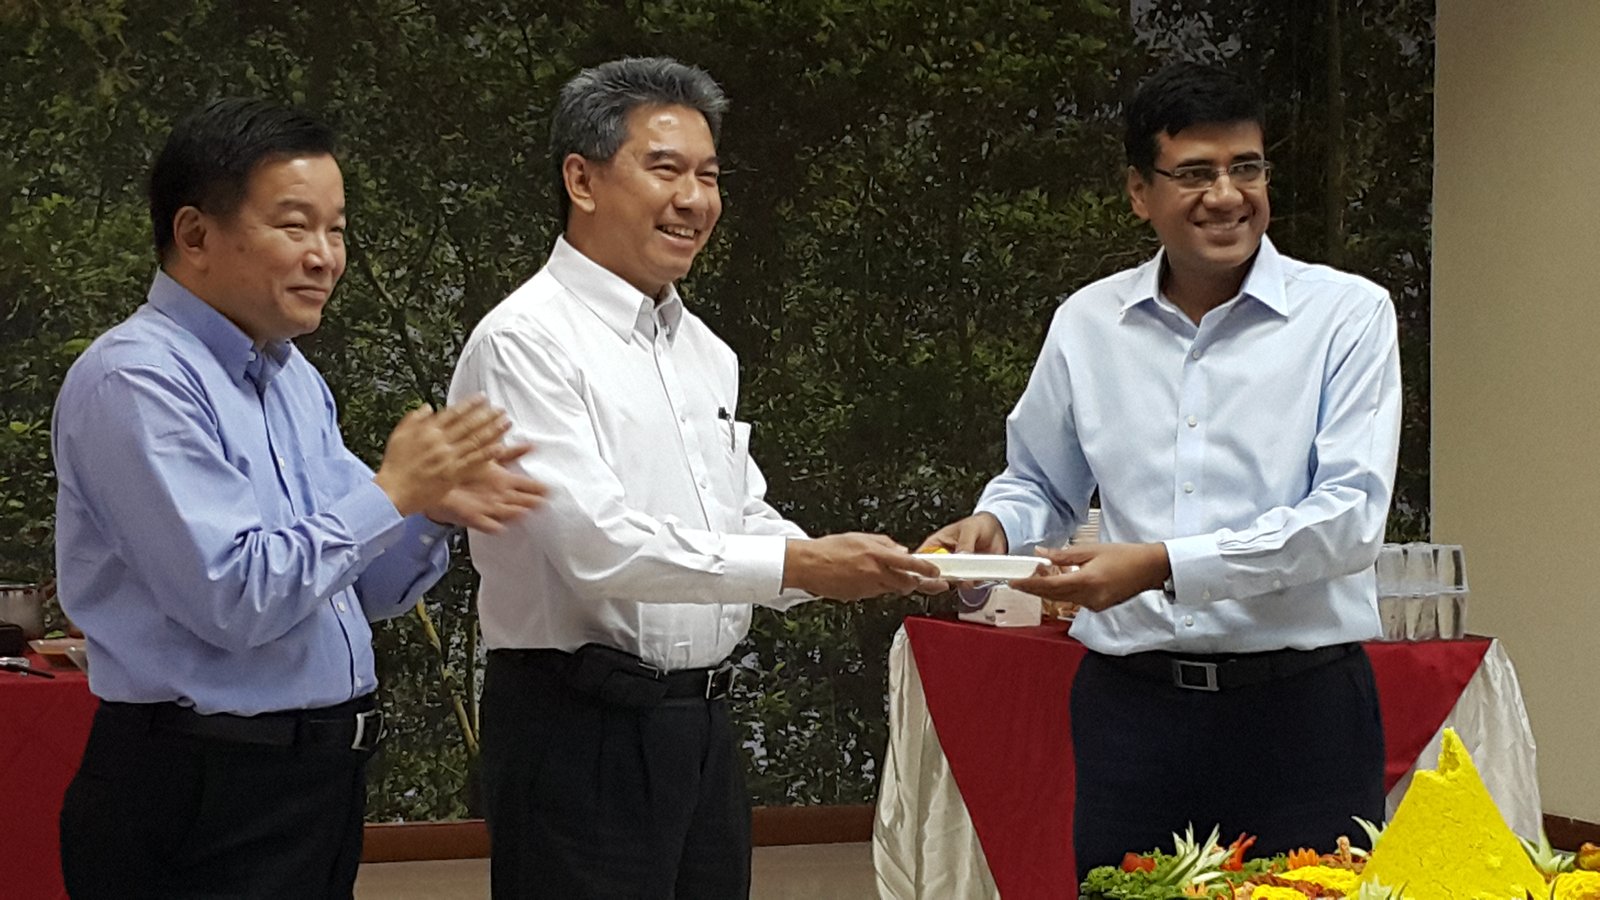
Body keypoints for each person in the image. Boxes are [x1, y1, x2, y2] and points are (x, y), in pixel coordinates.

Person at [448, 56, 941, 899]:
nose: (694, 200)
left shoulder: (706, 352)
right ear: (581, 179)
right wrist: (800, 564)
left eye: (709, 177)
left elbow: (737, 514)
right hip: (576, 726)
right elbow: (596, 548)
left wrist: (855, 564)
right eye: (665, 169)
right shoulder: (524, 342)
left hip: (701, 724)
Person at [52, 98, 544, 899]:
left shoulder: (291, 378)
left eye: (337, 230)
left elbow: (366, 589)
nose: (325, 257)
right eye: (295, 226)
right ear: (195, 235)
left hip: (312, 784)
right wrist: (392, 491)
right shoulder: (136, 380)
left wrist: (430, 509)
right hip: (199, 788)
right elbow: (235, 599)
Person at [923, 61, 1402, 875]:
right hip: (1132, 712)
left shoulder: (1347, 315)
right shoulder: (1088, 322)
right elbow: (1040, 479)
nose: (1227, 195)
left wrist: (1160, 565)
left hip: (1302, 714)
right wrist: (995, 525)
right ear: (1139, 192)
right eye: (1195, 173)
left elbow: (1349, 520)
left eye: (1246, 167)